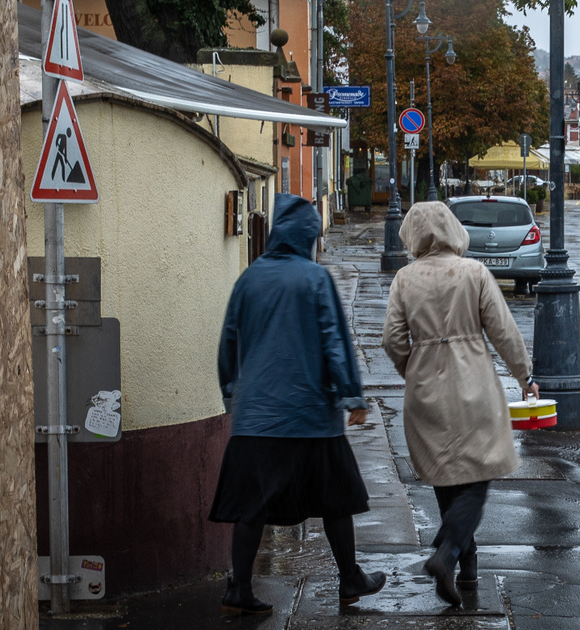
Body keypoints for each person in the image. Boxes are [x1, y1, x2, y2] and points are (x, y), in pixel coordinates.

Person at [210, 193, 386, 615]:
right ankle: (349, 580)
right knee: (335, 499)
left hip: (256, 418)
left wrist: (232, 394)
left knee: (250, 506)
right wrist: (352, 396)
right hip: (310, 416)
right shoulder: (314, 278)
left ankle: (239, 590)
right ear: (308, 234)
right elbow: (335, 341)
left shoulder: (248, 279)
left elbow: (228, 343)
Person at [381, 201, 538, 606]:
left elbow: (393, 340)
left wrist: (413, 369)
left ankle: (466, 565)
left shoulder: (404, 279)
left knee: (447, 474)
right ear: (454, 229)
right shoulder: (474, 273)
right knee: (478, 474)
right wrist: (525, 375)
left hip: (425, 388)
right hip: (474, 384)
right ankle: (448, 553)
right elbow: (502, 330)